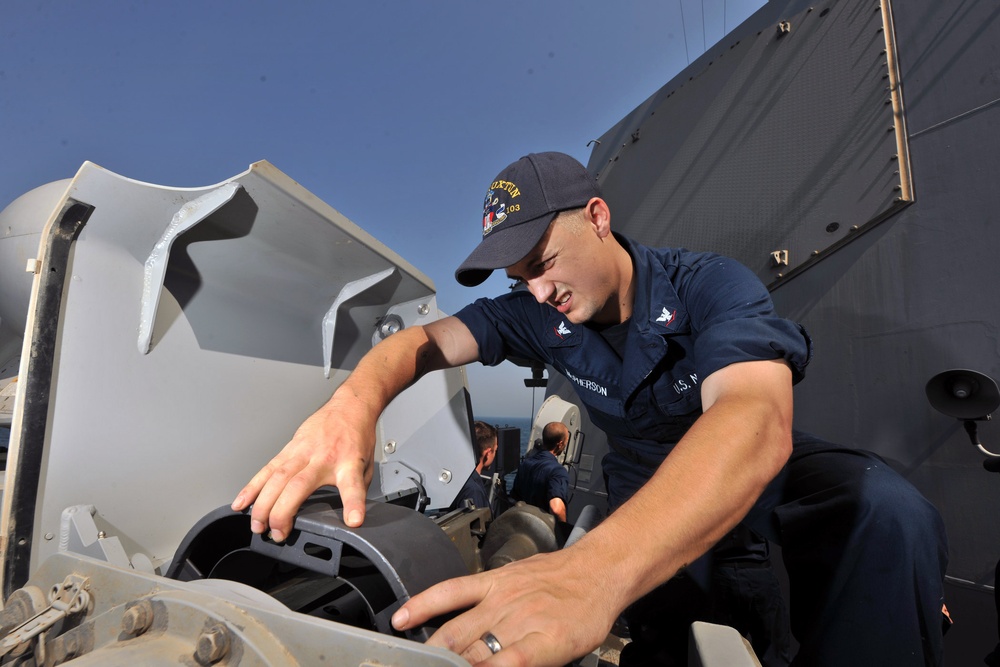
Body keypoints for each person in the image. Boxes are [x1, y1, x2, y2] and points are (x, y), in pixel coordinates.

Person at [232, 152, 948, 666]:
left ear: (598, 217)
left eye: (542, 264)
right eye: (520, 279)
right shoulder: (536, 313)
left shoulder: (709, 286)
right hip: (641, 493)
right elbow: (422, 343)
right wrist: (353, 403)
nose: (537, 292)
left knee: (886, 511)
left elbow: (755, 422)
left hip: (740, 475)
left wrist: (591, 570)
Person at [511, 422, 570, 521]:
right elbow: (557, 509)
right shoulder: (558, 471)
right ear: (559, 445)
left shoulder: (525, 464)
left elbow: (514, 498)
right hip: (543, 531)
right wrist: (564, 532)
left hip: (522, 525)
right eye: (565, 442)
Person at [448, 420, 498, 513]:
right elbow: (476, 526)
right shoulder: (473, 490)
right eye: (495, 450)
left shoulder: (456, 478)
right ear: (487, 453)